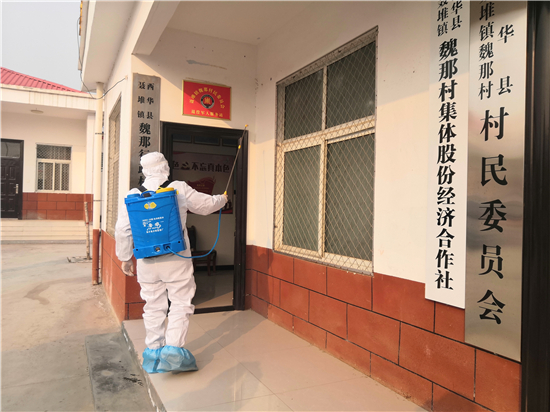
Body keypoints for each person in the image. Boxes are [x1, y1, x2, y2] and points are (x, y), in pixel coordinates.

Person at [114, 152, 227, 374]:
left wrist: (125, 257)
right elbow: (206, 206)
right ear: (165, 167)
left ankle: (153, 354)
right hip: (176, 258)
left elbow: (122, 229)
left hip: (147, 261)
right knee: (180, 302)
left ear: (145, 171)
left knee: (152, 306)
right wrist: (222, 199)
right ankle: (173, 350)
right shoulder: (178, 188)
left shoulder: (133, 194)